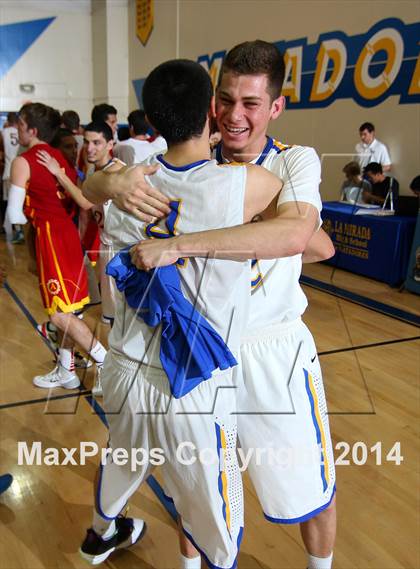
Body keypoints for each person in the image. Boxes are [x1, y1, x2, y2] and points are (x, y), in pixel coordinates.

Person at [83, 40, 336, 569]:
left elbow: (309, 241)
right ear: (208, 105)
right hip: (196, 356)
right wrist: (114, 179)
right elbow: (95, 182)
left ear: (275, 107)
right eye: (225, 100)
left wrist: (184, 240)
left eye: (249, 103)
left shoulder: (292, 163)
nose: (234, 115)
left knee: (306, 488)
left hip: (271, 351)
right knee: (195, 488)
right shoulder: (178, 158)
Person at [5, 103, 107, 389]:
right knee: (69, 310)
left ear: (33, 130)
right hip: (68, 235)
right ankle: (66, 369)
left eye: (21, 125)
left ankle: (103, 359)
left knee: (58, 314)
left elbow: (14, 214)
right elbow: (79, 202)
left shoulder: (23, 161)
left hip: (50, 238)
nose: (18, 129)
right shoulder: (59, 156)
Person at [1, 112, 23, 243]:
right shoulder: (22, 133)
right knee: (20, 202)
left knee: (12, 203)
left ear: (8, 121)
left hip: (8, 172)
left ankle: (19, 231)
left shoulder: (3, 132)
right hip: (21, 171)